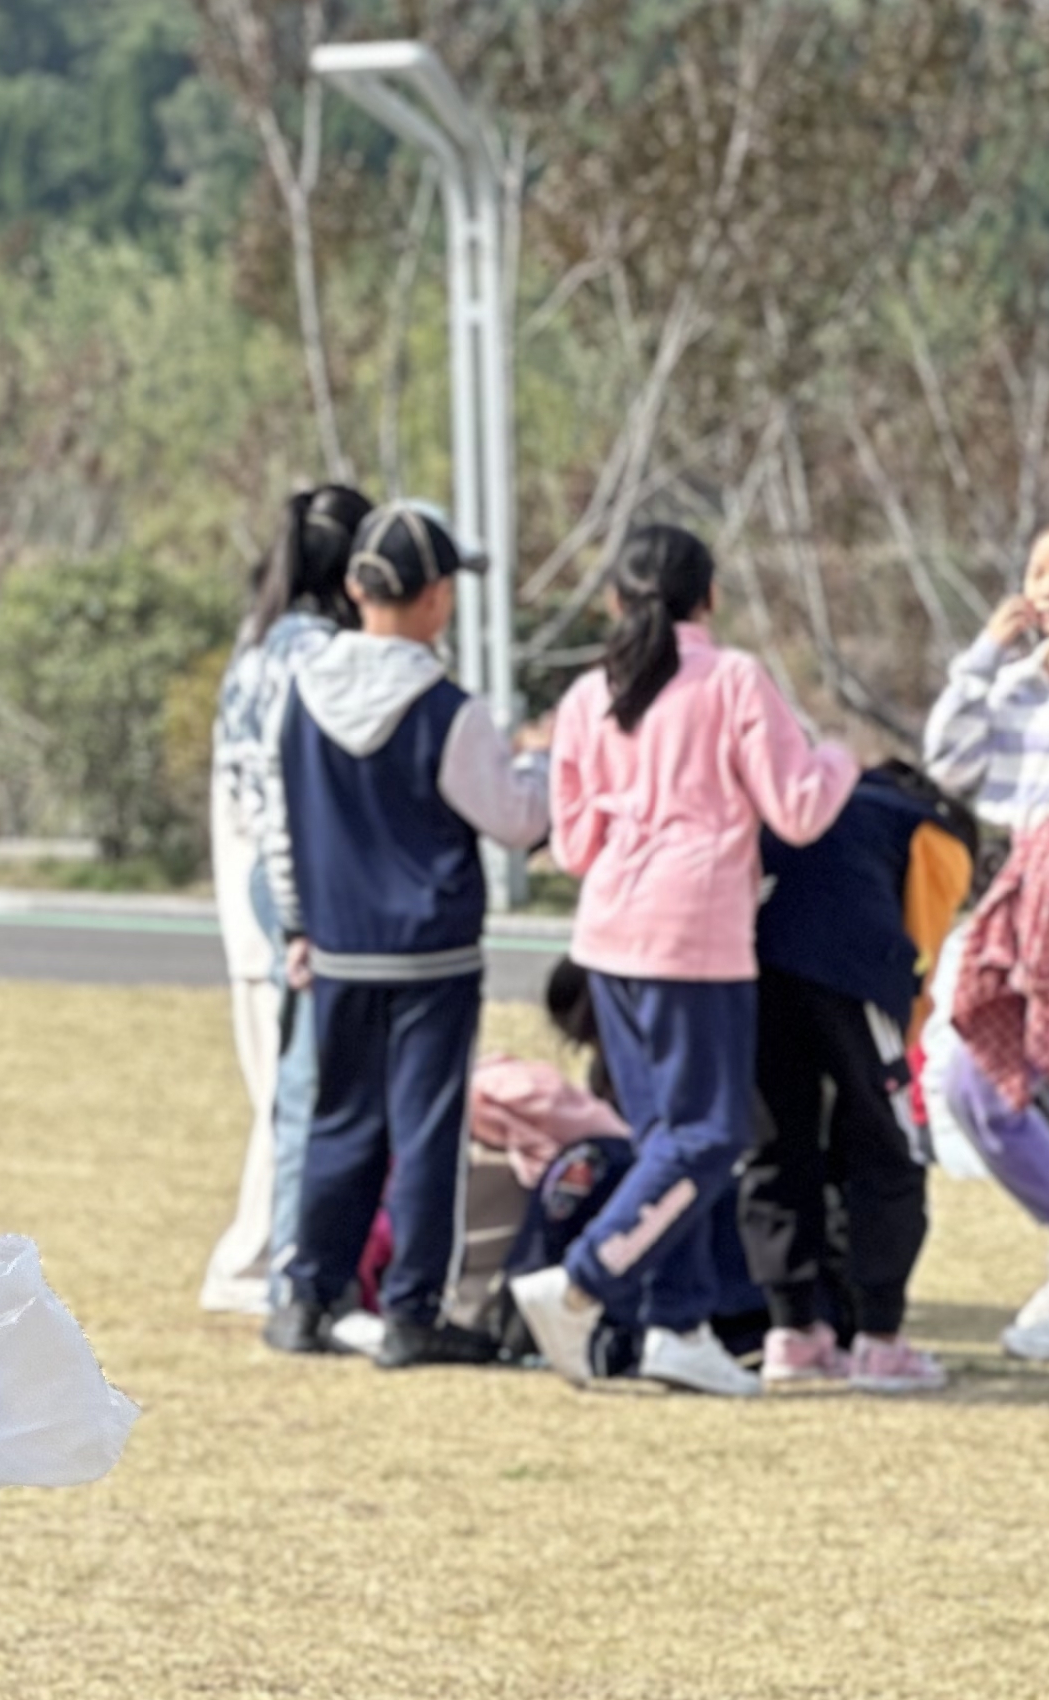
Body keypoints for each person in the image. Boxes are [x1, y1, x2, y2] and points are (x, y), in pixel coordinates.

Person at [512, 525, 858, 1399]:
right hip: (697, 938)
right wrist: (840, 754)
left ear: (616, 604)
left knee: (663, 1138)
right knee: (708, 1139)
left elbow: (576, 838)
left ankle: (679, 1323)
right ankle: (585, 1281)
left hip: (609, 935)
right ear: (708, 599)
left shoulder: (593, 693)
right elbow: (800, 806)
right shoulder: (732, 679)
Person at [264, 500, 552, 1364]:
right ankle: (412, 1313)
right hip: (432, 953)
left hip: (341, 944)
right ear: (434, 600)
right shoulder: (446, 707)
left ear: (357, 588)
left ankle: (310, 1297)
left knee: (339, 1123)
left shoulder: (302, 692)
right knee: (426, 1131)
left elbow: (283, 827)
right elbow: (512, 820)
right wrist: (540, 764)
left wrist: (298, 925)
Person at [921, 512, 1049, 1363]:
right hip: (1023, 889)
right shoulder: (1017, 681)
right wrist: (981, 658)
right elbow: (950, 765)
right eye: (1039, 573)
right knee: (971, 1082)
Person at [740, 759, 970, 1390]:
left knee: (775, 1142)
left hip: (755, 962)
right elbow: (919, 948)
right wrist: (904, 1040)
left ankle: (792, 1332)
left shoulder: (809, 794)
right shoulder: (930, 829)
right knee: (887, 1144)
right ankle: (880, 1338)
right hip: (856, 968)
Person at [199, 483, 369, 1314]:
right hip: (287, 905)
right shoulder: (319, 655)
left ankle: (263, 1261)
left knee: (280, 1092)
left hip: (248, 900)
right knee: (292, 1099)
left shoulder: (257, 644)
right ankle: (255, 1266)